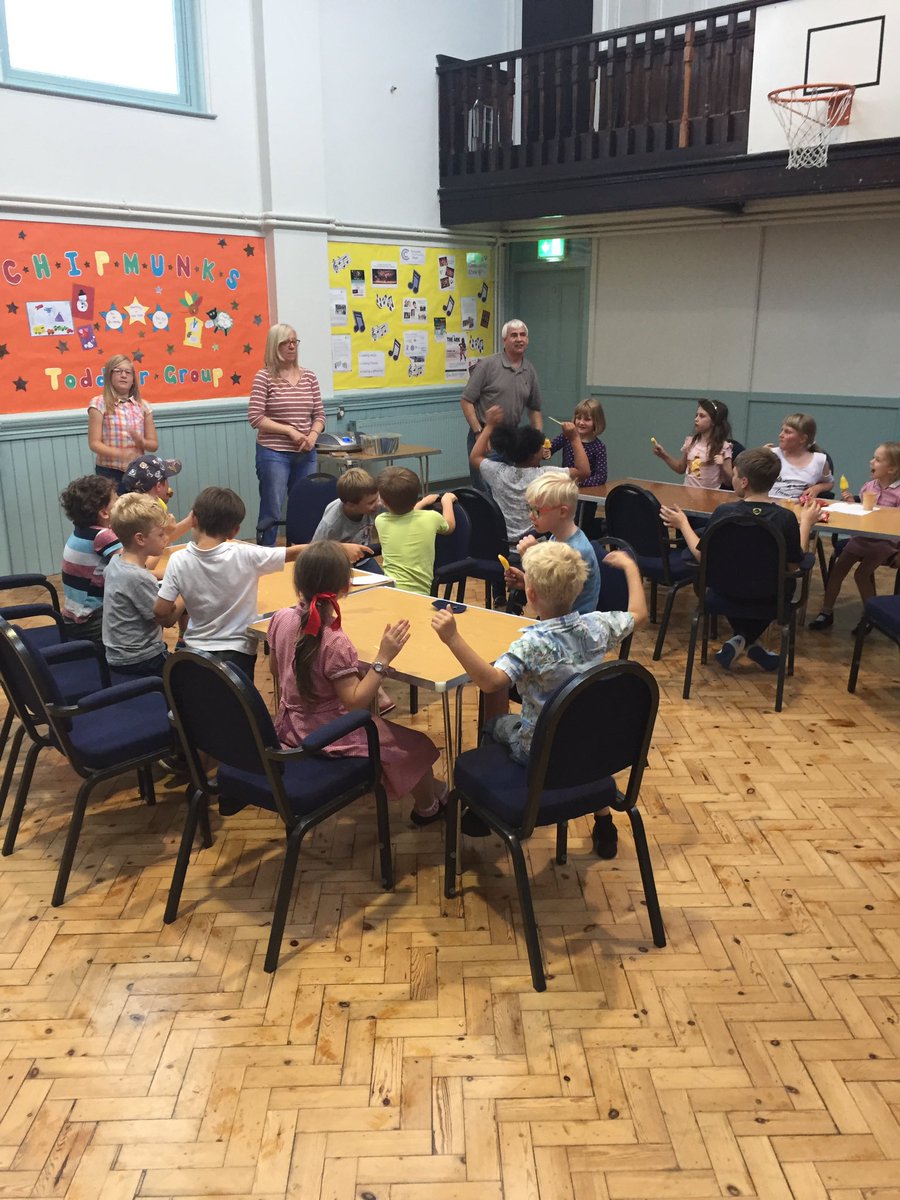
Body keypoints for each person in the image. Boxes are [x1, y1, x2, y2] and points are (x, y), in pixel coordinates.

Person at [432, 540, 647, 858]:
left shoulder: (530, 645)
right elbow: (638, 614)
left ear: (531, 595)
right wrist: (630, 566)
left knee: (495, 725)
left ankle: (481, 810)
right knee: (571, 730)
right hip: (589, 743)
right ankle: (604, 822)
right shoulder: (599, 625)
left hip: (537, 751)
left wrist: (452, 638)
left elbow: (491, 683)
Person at [268, 541, 446, 825]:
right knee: (417, 746)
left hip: (290, 727)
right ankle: (428, 810)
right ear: (345, 588)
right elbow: (355, 701)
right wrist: (383, 658)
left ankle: (436, 791)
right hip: (330, 733)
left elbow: (275, 669)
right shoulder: (334, 641)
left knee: (394, 736)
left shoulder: (280, 618)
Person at [660, 447, 819, 671]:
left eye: (733, 474)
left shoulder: (724, 513)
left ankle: (741, 639)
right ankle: (749, 642)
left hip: (725, 592)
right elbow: (795, 565)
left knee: (738, 580)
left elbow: (700, 555)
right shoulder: (785, 518)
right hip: (770, 597)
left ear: (743, 481)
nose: (731, 478)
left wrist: (682, 523)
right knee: (784, 580)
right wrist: (805, 524)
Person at [154, 486, 306, 681]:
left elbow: (161, 612)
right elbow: (292, 553)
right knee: (236, 706)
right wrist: (338, 548)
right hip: (239, 653)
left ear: (194, 519)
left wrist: (183, 598)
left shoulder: (178, 560)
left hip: (196, 652)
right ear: (235, 531)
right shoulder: (245, 554)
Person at [808, 441, 900, 631]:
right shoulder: (869, 487)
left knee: (861, 574)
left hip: (884, 543)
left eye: (877, 459)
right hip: (861, 539)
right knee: (838, 570)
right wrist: (852, 503)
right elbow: (863, 511)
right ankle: (826, 612)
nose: (871, 461)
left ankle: (872, 617)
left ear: (892, 469)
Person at [249, 323, 326, 546]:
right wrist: (290, 431)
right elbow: (256, 417)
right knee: (273, 508)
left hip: (306, 451)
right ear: (275, 346)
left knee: (304, 505)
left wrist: (312, 436)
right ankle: (266, 555)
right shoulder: (264, 377)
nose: (292, 346)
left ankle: (300, 553)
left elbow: (319, 415)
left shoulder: (309, 376)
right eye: (286, 343)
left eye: (294, 341)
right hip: (274, 452)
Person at [471, 405, 589, 546]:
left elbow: (475, 457)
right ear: (535, 455)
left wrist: (489, 426)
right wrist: (575, 438)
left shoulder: (498, 473)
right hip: (535, 547)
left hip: (504, 547)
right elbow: (583, 471)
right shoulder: (544, 475)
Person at [103, 494, 183, 677]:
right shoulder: (137, 578)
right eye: (161, 534)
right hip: (142, 660)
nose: (165, 539)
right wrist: (185, 588)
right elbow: (167, 619)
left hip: (118, 658)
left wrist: (176, 574)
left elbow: (146, 574)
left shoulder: (116, 562)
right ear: (140, 539)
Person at [460, 318, 543, 490]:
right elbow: (466, 401)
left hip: (513, 438)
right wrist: (478, 432)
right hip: (486, 436)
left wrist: (538, 441)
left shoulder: (529, 370)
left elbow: (534, 409)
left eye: (523, 335)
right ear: (504, 340)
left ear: (527, 339)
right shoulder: (488, 365)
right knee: (485, 489)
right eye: (514, 335)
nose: (519, 339)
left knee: (510, 489)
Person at [505, 474, 601, 615]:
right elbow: (550, 592)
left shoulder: (577, 552)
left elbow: (557, 601)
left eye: (537, 511)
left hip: (573, 627)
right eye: (529, 508)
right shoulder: (556, 538)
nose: (531, 516)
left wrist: (533, 558)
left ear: (562, 512)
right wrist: (526, 580)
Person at [59, 474, 122, 647]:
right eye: (117, 500)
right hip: (91, 622)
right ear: (104, 512)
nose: (121, 503)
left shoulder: (81, 530)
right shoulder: (103, 536)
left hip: (72, 619)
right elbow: (137, 565)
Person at [374, 467, 456, 594]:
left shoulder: (380, 521)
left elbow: (406, 519)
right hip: (421, 594)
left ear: (384, 502)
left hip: (391, 591)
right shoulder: (431, 518)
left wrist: (422, 503)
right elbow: (449, 526)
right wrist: (447, 501)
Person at [87, 354, 158, 484]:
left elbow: (153, 445)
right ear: (109, 376)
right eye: (118, 371)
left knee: (137, 504)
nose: (124, 375)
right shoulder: (98, 403)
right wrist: (119, 453)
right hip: (109, 471)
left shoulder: (143, 406)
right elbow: (94, 443)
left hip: (137, 470)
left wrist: (142, 442)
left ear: (133, 380)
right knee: (113, 504)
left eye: (128, 372)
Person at [312, 467, 383, 572]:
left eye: (377, 498)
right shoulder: (331, 523)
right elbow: (314, 550)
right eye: (371, 503)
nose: (378, 504)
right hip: (338, 563)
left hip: (364, 559)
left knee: (384, 585)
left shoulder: (372, 505)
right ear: (351, 505)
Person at [651, 398, 733, 489]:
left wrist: (722, 466)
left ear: (714, 421)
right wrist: (663, 455)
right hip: (687, 495)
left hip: (709, 498)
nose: (696, 419)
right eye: (696, 415)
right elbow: (680, 468)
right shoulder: (690, 442)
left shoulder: (723, 447)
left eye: (702, 416)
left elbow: (729, 481)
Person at [118, 453, 193, 544]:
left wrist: (191, 521)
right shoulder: (144, 519)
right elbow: (149, 553)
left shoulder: (129, 512)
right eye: (166, 480)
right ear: (158, 486)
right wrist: (167, 534)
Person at [767, 412, 833, 501]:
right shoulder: (771, 455)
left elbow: (830, 483)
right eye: (782, 430)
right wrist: (759, 455)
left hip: (800, 510)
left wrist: (817, 488)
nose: (781, 435)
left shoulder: (819, 460)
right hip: (771, 509)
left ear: (803, 439)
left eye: (787, 432)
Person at [545, 398, 608, 486]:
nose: (581, 422)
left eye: (587, 419)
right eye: (578, 418)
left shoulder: (599, 447)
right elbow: (550, 448)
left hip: (586, 493)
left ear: (596, 422)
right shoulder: (566, 436)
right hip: (565, 489)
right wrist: (545, 451)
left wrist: (579, 483)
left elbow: (601, 477)